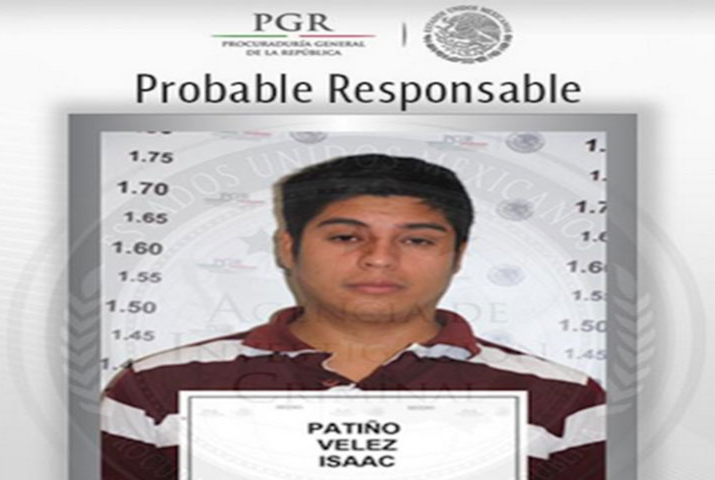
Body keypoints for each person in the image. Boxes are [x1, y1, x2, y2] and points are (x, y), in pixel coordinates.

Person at [101, 154, 605, 480]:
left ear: (458, 254)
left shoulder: (565, 402)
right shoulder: (154, 390)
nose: (379, 259)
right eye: (345, 237)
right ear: (288, 247)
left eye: (417, 240)